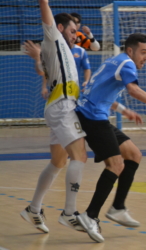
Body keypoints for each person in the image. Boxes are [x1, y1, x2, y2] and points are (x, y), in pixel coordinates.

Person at [75, 33, 146, 243]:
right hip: (91, 118)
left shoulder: (115, 61)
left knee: (133, 155)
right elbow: (133, 90)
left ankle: (117, 207)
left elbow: (99, 91)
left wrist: (123, 110)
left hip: (93, 113)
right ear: (130, 51)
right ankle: (89, 216)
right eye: (143, 52)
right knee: (116, 165)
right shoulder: (127, 64)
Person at [20, 0, 87, 234]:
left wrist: (38, 58)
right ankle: (69, 213)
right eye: (71, 30)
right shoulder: (54, 38)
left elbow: (42, 70)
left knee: (59, 162)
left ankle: (33, 209)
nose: (75, 36)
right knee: (80, 155)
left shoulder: (61, 51)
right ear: (59, 29)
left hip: (58, 106)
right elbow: (45, 9)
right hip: (62, 107)